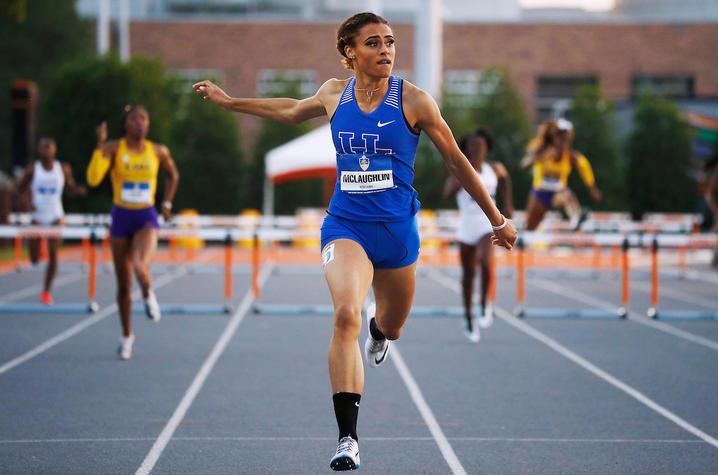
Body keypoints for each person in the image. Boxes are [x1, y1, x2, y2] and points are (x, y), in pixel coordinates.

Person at [192, 12, 516, 471]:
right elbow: (288, 109)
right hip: (346, 227)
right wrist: (229, 103)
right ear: (350, 54)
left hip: (398, 234)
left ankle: (380, 331)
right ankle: (348, 439)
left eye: (390, 42)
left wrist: (496, 219)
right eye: (373, 43)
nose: (385, 50)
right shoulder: (333, 94)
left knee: (393, 324)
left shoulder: (415, 101)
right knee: (346, 314)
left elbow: (458, 163)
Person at [86, 105, 179, 360]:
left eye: (144, 118)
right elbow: (93, 179)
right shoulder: (114, 149)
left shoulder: (158, 151)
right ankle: (127, 336)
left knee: (140, 266)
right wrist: (99, 146)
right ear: (125, 124)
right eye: (135, 118)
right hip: (121, 218)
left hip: (146, 217)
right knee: (124, 285)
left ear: (148, 124)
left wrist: (167, 203)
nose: (140, 122)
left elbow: (173, 175)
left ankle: (148, 295)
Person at [443, 128, 513, 342]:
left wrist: (508, 204)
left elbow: (505, 181)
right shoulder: (461, 169)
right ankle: (468, 317)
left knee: (485, 261)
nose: (476, 151)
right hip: (467, 226)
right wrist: (465, 172)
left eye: (480, 147)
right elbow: (446, 194)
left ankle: (484, 302)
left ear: (487, 148)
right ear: (467, 150)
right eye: (472, 148)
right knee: (467, 276)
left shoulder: (494, 169)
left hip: (486, 225)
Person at [17, 137, 87, 304]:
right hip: (37, 216)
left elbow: (69, 189)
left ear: (54, 150)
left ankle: (46, 291)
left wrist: (78, 191)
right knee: (34, 259)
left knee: (54, 253)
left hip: (56, 215)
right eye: (44, 147)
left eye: (50, 147)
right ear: (39, 151)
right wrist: (27, 203)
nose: (47, 150)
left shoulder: (62, 169)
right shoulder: (32, 169)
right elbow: (20, 189)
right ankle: (38, 249)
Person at [521, 118, 602, 231]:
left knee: (568, 196)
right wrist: (540, 157)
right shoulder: (541, 150)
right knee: (530, 227)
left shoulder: (570, 156)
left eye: (566, 138)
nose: (564, 141)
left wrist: (592, 188)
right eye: (561, 137)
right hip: (539, 193)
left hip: (558, 193)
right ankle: (524, 240)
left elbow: (584, 166)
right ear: (553, 137)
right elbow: (524, 165)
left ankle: (576, 220)